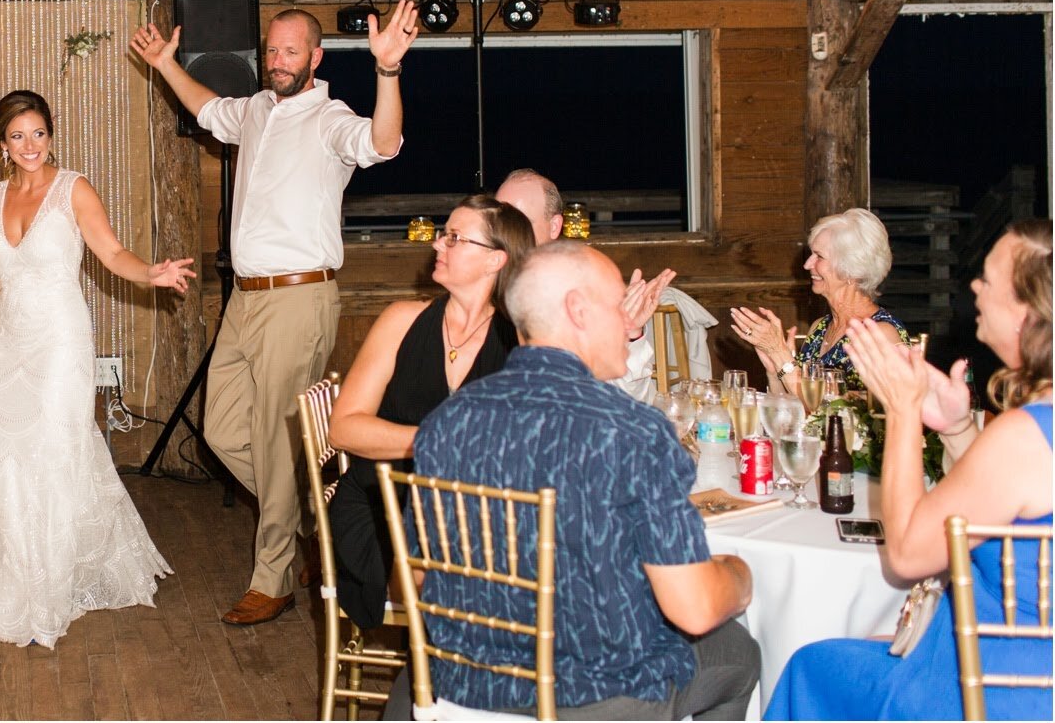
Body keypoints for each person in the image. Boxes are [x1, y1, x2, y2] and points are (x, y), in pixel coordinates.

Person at [129, 1, 415, 625]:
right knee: (222, 430)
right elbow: (206, 108)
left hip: (298, 297)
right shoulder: (256, 110)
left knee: (270, 436)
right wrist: (164, 65)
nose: (278, 62)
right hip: (244, 299)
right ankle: (325, 519)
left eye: (291, 52)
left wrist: (387, 72)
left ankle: (274, 576)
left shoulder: (330, 118)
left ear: (315, 57)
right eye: (272, 51)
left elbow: (382, 142)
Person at [393, 240, 758, 719]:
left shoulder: (447, 421)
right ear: (578, 310)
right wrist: (739, 575)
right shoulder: (634, 431)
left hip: (459, 690)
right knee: (740, 654)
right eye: (617, 307)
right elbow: (694, 610)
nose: (628, 322)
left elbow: (417, 580)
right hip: (593, 698)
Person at [0, 90, 195, 648]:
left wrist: (151, 272)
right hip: (10, 346)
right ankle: (21, 587)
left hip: (60, 345)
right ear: (1, 144)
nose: (29, 146)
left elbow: (112, 254)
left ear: (50, 135)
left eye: (38, 134)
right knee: (0, 462)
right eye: (16, 136)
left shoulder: (73, 189)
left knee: (53, 457)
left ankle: (50, 595)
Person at [766, 219, 1052, 721]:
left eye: (988, 278)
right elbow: (1001, 499)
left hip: (990, 685)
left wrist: (902, 410)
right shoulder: (1033, 429)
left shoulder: (1026, 434)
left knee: (809, 665)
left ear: (1027, 313)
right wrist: (958, 427)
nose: (975, 288)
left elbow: (904, 555)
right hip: (1001, 655)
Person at [326, 195, 532, 629]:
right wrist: (429, 441)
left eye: (455, 238)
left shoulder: (520, 341)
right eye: (444, 235)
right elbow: (342, 428)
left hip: (480, 516)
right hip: (383, 509)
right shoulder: (402, 320)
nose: (438, 245)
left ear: (496, 260)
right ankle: (463, 678)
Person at [495, 168, 678, 401]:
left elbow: (630, 399)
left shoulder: (585, 294)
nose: (504, 233)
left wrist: (630, 334)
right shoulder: (482, 292)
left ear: (554, 226)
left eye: (518, 222)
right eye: (498, 221)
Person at [731, 207, 909, 395]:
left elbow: (828, 411)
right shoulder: (820, 328)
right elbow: (798, 410)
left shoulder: (878, 335)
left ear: (852, 269)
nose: (807, 264)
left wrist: (780, 354)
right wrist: (776, 371)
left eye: (819, 257)